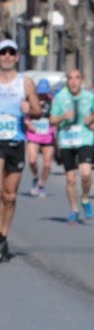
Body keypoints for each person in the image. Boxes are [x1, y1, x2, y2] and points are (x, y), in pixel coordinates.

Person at [0, 38, 42, 262]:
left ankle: (2, 237)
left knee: (9, 195)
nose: (6, 56)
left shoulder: (25, 83)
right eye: (3, 52)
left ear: (16, 57)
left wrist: (30, 109)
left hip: (16, 141)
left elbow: (38, 111)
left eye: (10, 52)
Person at [50, 68, 94, 223]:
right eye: (70, 78)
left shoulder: (90, 96)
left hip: (84, 138)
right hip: (66, 140)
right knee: (70, 179)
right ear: (67, 81)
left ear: (81, 80)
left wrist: (91, 119)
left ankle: (85, 198)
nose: (73, 81)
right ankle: (74, 209)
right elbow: (52, 120)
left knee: (86, 174)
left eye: (77, 78)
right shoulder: (60, 98)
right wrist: (63, 116)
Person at [25, 79, 55, 199]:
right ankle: (35, 177)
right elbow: (24, 115)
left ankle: (42, 185)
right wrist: (28, 124)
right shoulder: (31, 100)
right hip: (33, 133)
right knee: (32, 160)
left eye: (44, 92)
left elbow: (56, 116)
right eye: (40, 92)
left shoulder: (52, 101)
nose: (42, 95)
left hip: (48, 134)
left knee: (47, 164)